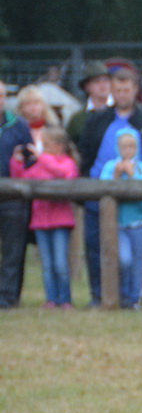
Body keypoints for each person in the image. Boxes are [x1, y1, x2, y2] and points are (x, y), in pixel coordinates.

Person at [75, 64, 142, 306]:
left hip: (136, 197)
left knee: (134, 252)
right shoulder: (98, 120)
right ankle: (99, 294)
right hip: (99, 192)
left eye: (126, 90)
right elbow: (85, 153)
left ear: (135, 90)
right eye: (117, 90)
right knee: (96, 246)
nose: (122, 95)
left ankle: (131, 296)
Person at [9, 126, 79, 308]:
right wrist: (16, 162)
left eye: (46, 145)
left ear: (59, 145)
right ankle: (51, 298)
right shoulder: (40, 163)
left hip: (60, 221)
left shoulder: (67, 162)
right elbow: (23, 178)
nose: (43, 148)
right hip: (40, 221)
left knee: (61, 263)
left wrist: (41, 157)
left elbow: (64, 174)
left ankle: (65, 299)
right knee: (47, 265)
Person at [99, 129, 142, 308]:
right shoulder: (109, 167)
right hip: (118, 223)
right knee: (124, 259)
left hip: (139, 222)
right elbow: (102, 186)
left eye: (132, 146)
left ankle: (134, 298)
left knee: (138, 261)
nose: (128, 150)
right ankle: (122, 293)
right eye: (124, 146)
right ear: (117, 147)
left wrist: (131, 174)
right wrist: (116, 174)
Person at [0, 97, 30, 309]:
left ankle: (8, 297)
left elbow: (31, 157)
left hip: (12, 196)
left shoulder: (19, 125)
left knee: (13, 250)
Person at [64, 61, 112, 148]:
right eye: (97, 81)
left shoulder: (121, 112)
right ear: (87, 87)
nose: (103, 85)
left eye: (106, 80)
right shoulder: (77, 119)